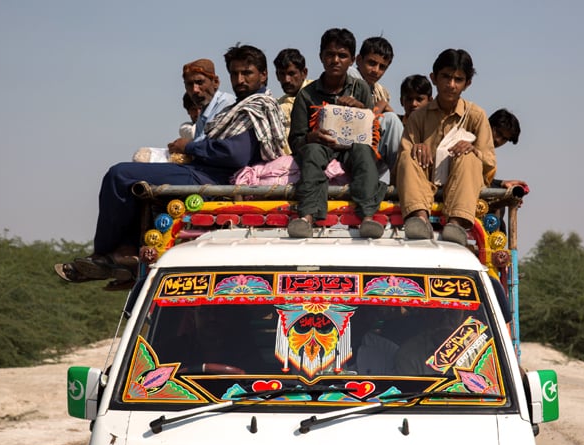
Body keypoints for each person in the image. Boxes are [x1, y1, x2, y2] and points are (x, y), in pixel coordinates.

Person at [55, 46, 287, 289]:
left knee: (120, 175)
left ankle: (102, 257)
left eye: (247, 73)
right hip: (204, 171)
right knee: (136, 178)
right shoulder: (241, 106)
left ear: (263, 75)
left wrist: (190, 147)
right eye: (235, 74)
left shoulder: (254, 107)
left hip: (209, 177)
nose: (239, 80)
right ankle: (126, 253)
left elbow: (234, 155)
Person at [287, 28, 387, 239]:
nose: (335, 60)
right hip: (321, 146)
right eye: (330, 54)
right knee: (312, 152)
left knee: (363, 152)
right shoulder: (306, 94)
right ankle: (307, 217)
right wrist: (310, 137)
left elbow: (371, 132)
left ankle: (367, 217)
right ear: (321, 57)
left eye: (342, 55)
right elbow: (295, 140)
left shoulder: (360, 89)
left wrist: (360, 110)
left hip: (351, 147)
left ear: (351, 60)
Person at [395, 48, 496, 245]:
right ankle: (419, 218)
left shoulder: (476, 115)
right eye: (446, 77)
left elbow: (490, 162)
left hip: (461, 186)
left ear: (467, 84)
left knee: (469, 157)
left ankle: (456, 222)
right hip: (424, 184)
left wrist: (472, 149)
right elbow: (402, 159)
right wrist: (417, 148)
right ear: (434, 78)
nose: (451, 85)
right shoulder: (418, 116)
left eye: (458, 80)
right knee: (408, 156)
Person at [353, 36, 404, 182]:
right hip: (349, 149)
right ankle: (401, 179)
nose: (376, 71)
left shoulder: (380, 90)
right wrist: (382, 104)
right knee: (391, 121)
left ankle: (401, 177)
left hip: (369, 152)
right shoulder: (350, 76)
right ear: (358, 60)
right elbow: (364, 119)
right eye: (371, 63)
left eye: (382, 67)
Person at [273, 48, 312, 140]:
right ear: (277, 76)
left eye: (291, 74)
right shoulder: (277, 104)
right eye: (282, 74)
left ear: (304, 73)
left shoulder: (315, 95)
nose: (287, 80)